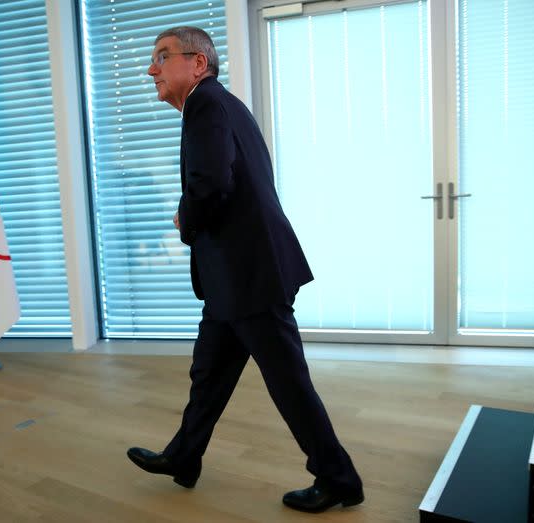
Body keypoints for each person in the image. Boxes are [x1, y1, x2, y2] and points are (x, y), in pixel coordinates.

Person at [126, 26, 364, 513]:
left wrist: (183, 218)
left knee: (288, 382)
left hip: (249, 276)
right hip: (232, 278)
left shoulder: (206, 105)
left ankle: (340, 478)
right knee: (208, 374)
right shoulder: (217, 104)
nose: (151, 69)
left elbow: (212, 184)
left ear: (198, 63)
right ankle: (184, 457)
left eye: (162, 56)